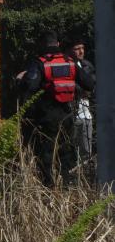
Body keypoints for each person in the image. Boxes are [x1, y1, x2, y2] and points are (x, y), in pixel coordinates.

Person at [21, 32, 95, 185]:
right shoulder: (70, 61)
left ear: (42, 45)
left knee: (46, 153)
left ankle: (48, 186)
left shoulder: (40, 62)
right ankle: (65, 184)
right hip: (67, 115)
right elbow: (89, 83)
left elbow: (30, 86)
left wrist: (21, 80)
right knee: (66, 151)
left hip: (46, 116)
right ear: (58, 44)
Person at [68, 37, 95, 162]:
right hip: (71, 111)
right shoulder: (68, 65)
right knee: (71, 148)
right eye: (77, 49)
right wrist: (81, 89)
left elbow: (93, 84)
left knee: (86, 148)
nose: (81, 51)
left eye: (82, 48)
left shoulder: (87, 65)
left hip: (85, 112)